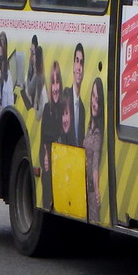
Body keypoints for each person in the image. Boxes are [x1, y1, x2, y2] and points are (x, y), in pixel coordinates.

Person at [40, 60, 67, 209]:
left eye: (58, 83)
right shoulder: (46, 110)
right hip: (49, 168)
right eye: (53, 83)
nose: (55, 88)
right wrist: (45, 154)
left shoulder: (65, 109)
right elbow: (43, 140)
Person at [83, 77, 104, 222]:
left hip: (90, 189)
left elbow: (95, 165)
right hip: (82, 184)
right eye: (93, 97)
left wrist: (96, 190)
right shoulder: (89, 126)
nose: (94, 103)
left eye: (98, 99)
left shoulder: (98, 133)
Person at [0, 32, 17, 121]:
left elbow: (10, 100)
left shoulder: (7, 75)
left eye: (2, 46)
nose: (0, 49)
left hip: (4, 118)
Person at [64, 43, 85, 145]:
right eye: (77, 61)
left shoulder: (82, 109)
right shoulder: (65, 96)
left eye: (81, 63)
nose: (79, 67)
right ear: (73, 66)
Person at [21, 39, 45, 113]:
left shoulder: (37, 75)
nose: (31, 56)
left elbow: (29, 90)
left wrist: (26, 82)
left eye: (33, 53)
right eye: (30, 51)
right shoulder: (38, 69)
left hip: (36, 108)